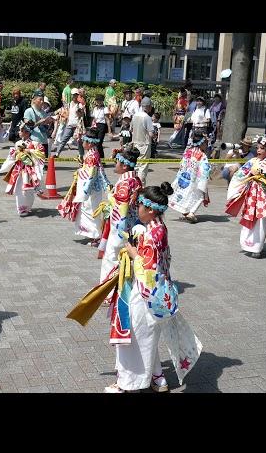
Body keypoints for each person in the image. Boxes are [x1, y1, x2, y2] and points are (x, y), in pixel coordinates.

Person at [103, 182, 202, 393]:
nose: (135, 207)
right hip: (156, 292)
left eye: (138, 204)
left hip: (145, 292)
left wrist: (131, 252)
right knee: (147, 336)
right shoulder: (157, 228)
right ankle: (158, 378)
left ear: (149, 209)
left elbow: (148, 268)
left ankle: (129, 385)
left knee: (135, 337)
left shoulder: (151, 234)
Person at [225, 136, 266, 258]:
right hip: (252, 194)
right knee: (250, 216)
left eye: (262, 148)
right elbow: (240, 175)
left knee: (262, 219)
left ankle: (257, 247)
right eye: (258, 148)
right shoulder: (252, 161)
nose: (259, 150)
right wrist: (238, 188)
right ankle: (248, 243)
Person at [96, 146, 143, 294]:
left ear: (124, 166)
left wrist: (117, 230)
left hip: (120, 226)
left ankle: (109, 292)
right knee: (126, 257)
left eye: (117, 162)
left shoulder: (124, 183)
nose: (115, 164)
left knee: (112, 257)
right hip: (133, 224)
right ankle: (124, 287)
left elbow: (121, 209)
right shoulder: (136, 180)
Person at [57, 128, 111, 244]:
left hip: (90, 188)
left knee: (91, 211)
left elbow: (90, 174)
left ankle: (96, 236)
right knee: (89, 210)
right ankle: (93, 234)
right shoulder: (92, 153)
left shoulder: (92, 155)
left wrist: (80, 172)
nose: (82, 143)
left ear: (90, 143)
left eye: (84, 141)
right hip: (91, 187)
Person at [0, 121, 46, 217]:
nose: (19, 132)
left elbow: (41, 154)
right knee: (19, 190)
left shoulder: (35, 143)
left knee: (28, 191)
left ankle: (27, 207)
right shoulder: (18, 143)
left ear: (27, 132)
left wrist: (29, 151)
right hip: (19, 169)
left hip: (30, 170)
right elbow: (12, 155)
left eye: (21, 130)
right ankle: (21, 208)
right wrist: (15, 153)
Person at [168, 131, 211, 223]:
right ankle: (191, 213)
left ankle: (184, 211)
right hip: (196, 179)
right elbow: (205, 169)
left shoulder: (188, 151)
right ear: (202, 143)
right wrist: (206, 178)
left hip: (185, 177)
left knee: (186, 194)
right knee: (200, 196)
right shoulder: (202, 156)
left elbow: (182, 164)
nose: (206, 146)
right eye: (206, 144)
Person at [51, 88, 84, 158]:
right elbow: (65, 113)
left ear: (77, 95)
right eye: (73, 95)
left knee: (79, 141)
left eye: (75, 95)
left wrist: (79, 112)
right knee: (63, 140)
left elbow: (81, 115)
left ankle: (81, 155)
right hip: (69, 125)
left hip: (77, 126)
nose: (74, 96)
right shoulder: (69, 104)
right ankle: (57, 154)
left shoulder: (80, 105)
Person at [23, 89, 54, 157]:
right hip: (33, 141)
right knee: (33, 164)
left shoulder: (43, 112)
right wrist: (38, 122)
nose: (42, 101)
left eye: (43, 100)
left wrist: (50, 122)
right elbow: (27, 127)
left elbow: (47, 127)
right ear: (34, 100)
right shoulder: (29, 111)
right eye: (40, 99)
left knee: (43, 164)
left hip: (44, 140)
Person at [131, 97, 154, 184]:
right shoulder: (147, 117)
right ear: (148, 106)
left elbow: (131, 129)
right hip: (144, 144)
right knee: (143, 166)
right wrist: (154, 135)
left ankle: (134, 184)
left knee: (136, 165)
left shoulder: (135, 115)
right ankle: (140, 186)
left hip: (135, 143)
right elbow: (151, 134)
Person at [90, 93, 109, 159]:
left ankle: (101, 159)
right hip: (96, 126)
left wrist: (110, 131)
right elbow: (94, 119)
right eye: (97, 100)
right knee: (95, 143)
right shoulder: (95, 109)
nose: (98, 102)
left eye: (100, 100)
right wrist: (91, 127)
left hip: (102, 126)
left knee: (99, 143)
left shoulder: (105, 108)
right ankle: (97, 158)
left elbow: (107, 119)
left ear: (102, 101)